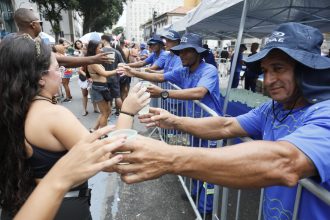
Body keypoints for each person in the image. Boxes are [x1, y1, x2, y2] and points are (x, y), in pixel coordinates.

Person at [114, 22, 330, 220]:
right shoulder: (272, 108)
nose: (269, 80)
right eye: (265, 71)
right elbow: (226, 125)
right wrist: (174, 121)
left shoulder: (325, 113)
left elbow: (286, 162)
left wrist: (169, 157)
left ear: (306, 70)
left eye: (279, 68)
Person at [0, 35, 150, 219]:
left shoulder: (10, 111)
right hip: (61, 208)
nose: (61, 73)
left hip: (19, 205)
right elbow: (113, 160)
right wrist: (128, 111)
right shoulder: (52, 115)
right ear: (40, 78)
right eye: (57, 68)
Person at [122, 33, 222, 215]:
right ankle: (194, 194)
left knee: (210, 170)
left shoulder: (209, 70)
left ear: (198, 53)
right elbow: (161, 77)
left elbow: (198, 93)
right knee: (196, 161)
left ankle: (205, 209)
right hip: (193, 126)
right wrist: (132, 71)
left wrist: (164, 94)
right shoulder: (183, 71)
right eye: (179, 52)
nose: (181, 55)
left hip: (211, 129)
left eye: (186, 52)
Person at [14, 126, 124, 220]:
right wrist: (126, 113)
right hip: (64, 208)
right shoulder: (52, 114)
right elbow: (111, 162)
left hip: (15, 205)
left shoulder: (9, 118)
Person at [12, 8, 111, 68]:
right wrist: (94, 59)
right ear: (33, 25)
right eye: (40, 23)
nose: (40, 26)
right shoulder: (34, 44)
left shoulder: (7, 42)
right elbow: (62, 61)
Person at [101, 34, 125, 116]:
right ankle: (124, 114)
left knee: (107, 98)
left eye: (101, 40)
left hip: (103, 78)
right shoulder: (116, 52)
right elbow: (122, 64)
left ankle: (107, 115)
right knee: (117, 96)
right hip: (115, 78)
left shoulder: (100, 51)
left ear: (104, 40)